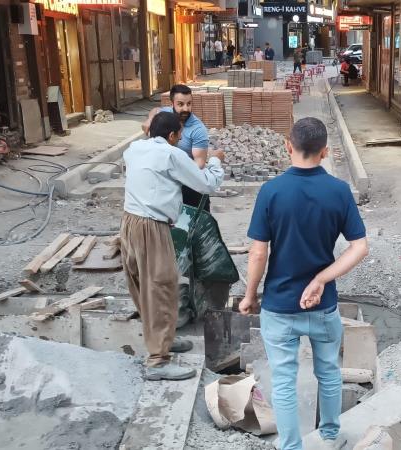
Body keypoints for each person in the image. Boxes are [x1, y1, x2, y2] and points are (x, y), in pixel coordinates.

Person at [239, 117, 369, 450]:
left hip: (280, 306)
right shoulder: (339, 191)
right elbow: (359, 246)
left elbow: (258, 253)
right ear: (325, 151)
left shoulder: (271, 191)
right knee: (328, 372)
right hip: (322, 305)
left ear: (288, 145)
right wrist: (323, 278)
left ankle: (291, 446)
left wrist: (250, 295)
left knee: (283, 381)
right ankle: (329, 435)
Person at [121, 112, 225, 380]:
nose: (180, 140)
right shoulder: (171, 154)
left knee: (142, 285)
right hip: (151, 227)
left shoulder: (134, 149)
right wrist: (215, 160)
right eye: (178, 135)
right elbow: (206, 184)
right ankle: (158, 361)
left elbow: (148, 131)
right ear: (171, 136)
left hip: (129, 222)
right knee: (162, 287)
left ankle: (162, 338)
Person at [142, 84, 213, 211]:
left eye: (189, 104)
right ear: (172, 104)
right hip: (164, 184)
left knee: (193, 225)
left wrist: (175, 173)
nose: (186, 109)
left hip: (189, 185)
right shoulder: (166, 114)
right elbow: (156, 110)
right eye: (180, 104)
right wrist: (150, 119)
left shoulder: (198, 129)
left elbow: (199, 164)